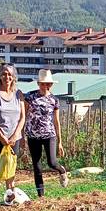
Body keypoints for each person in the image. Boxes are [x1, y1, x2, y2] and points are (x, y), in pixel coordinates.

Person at [24, 69, 69, 197]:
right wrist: (22, 136)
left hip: (49, 135)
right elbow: (24, 115)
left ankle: (62, 171)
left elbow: (56, 121)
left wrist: (60, 142)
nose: (45, 86)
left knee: (52, 162)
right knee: (37, 167)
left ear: (51, 85)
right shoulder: (30, 97)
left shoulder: (54, 100)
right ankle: (41, 196)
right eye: (42, 84)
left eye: (47, 84)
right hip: (33, 136)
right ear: (38, 84)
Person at [0, 63, 25, 203]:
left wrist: (15, 135)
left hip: (14, 137)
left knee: (11, 165)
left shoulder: (18, 94)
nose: (7, 76)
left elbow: (22, 117)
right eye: (4, 74)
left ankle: (10, 196)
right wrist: (1, 136)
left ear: (14, 76)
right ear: (0, 76)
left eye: (9, 74)